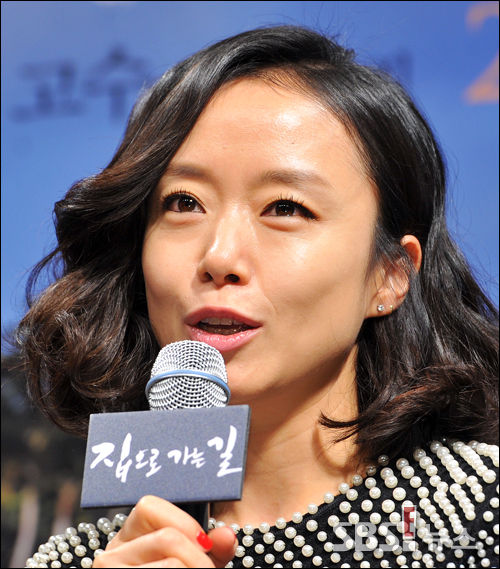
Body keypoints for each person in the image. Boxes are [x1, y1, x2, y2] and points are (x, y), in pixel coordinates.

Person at [20, 25, 498, 568]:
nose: (220, 257)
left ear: (388, 275)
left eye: (285, 208)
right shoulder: (84, 560)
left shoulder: (480, 516)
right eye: (183, 203)